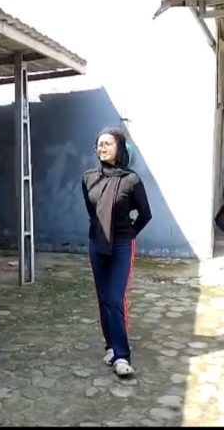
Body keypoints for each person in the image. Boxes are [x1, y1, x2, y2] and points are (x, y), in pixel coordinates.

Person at [81, 128, 152, 377]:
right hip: (97, 243)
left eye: (108, 143)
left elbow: (145, 214)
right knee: (103, 298)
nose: (102, 148)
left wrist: (129, 233)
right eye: (99, 144)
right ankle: (110, 346)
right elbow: (92, 212)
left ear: (119, 147)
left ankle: (122, 355)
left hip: (122, 244)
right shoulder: (88, 178)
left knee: (114, 299)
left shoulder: (131, 180)